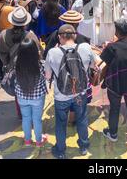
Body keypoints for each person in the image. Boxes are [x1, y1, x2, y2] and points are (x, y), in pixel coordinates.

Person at [45, 25, 95, 159]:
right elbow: (93, 66)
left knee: (61, 123)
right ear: (75, 36)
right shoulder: (85, 47)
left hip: (61, 95)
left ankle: (60, 150)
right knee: (82, 119)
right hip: (80, 93)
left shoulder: (52, 52)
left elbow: (48, 76)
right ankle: (83, 146)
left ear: (60, 37)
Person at [0, 7, 41, 118]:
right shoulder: (31, 36)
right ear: (25, 23)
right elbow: (38, 53)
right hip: (30, 69)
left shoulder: (3, 35)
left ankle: (21, 115)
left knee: (18, 92)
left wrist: (7, 62)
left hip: (13, 69)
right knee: (32, 91)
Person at [15, 37, 48, 147]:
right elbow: (46, 77)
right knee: (37, 120)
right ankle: (39, 141)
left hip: (22, 96)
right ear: (35, 51)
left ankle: (27, 140)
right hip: (37, 97)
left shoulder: (17, 64)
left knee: (26, 118)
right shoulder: (40, 65)